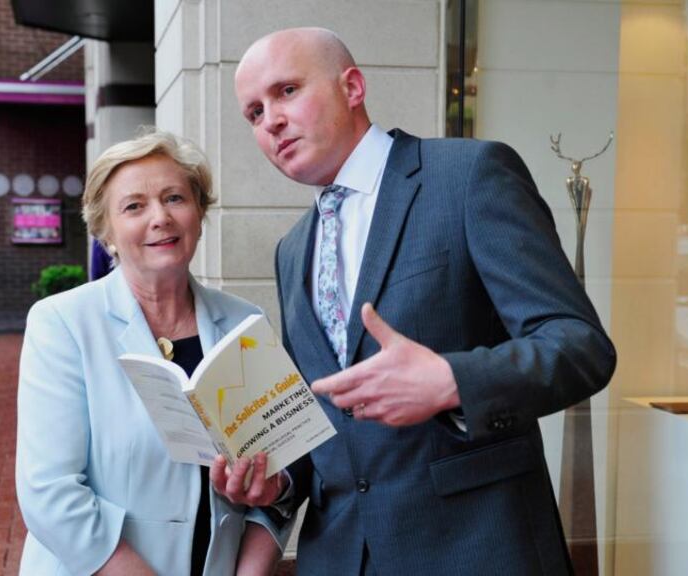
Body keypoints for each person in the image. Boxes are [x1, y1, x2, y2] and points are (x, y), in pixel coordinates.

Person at [217, 27, 618, 575]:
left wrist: (451, 382)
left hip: (477, 549)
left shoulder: (469, 176)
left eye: (286, 91)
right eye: (254, 113)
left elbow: (580, 346)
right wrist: (279, 480)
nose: (271, 121)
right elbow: (330, 425)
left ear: (352, 87)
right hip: (341, 557)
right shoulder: (293, 251)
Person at [15, 130, 289, 575]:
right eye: (134, 206)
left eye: (175, 198)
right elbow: (49, 492)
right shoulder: (63, 323)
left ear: (199, 212)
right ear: (105, 230)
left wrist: (250, 569)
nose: (159, 218)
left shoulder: (244, 324)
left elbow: (281, 478)